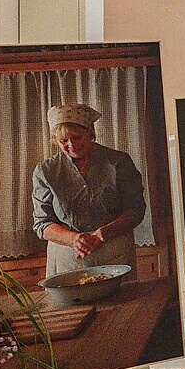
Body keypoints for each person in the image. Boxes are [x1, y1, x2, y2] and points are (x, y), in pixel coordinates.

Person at [32, 103, 147, 280]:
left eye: (77, 137)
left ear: (90, 133)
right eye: (63, 140)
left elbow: (135, 210)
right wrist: (74, 239)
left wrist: (104, 233)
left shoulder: (118, 162)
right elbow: (43, 224)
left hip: (114, 251)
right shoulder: (46, 171)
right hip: (68, 256)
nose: (71, 145)